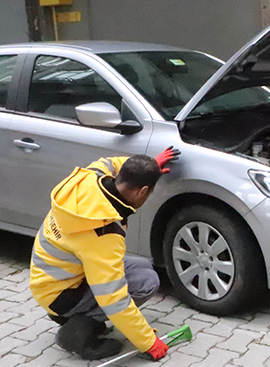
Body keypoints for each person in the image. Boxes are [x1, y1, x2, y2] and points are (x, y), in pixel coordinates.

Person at [29, 147, 180, 360]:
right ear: (142, 191)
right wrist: (147, 342)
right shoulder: (102, 232)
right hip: (61, 295)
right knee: (146, 281)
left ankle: (73, 315)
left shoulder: (91, 177)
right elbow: (113, 298)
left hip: (51, 277)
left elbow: (112, 162)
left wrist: (149, 166)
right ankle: (77, 331)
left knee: (142, 267)